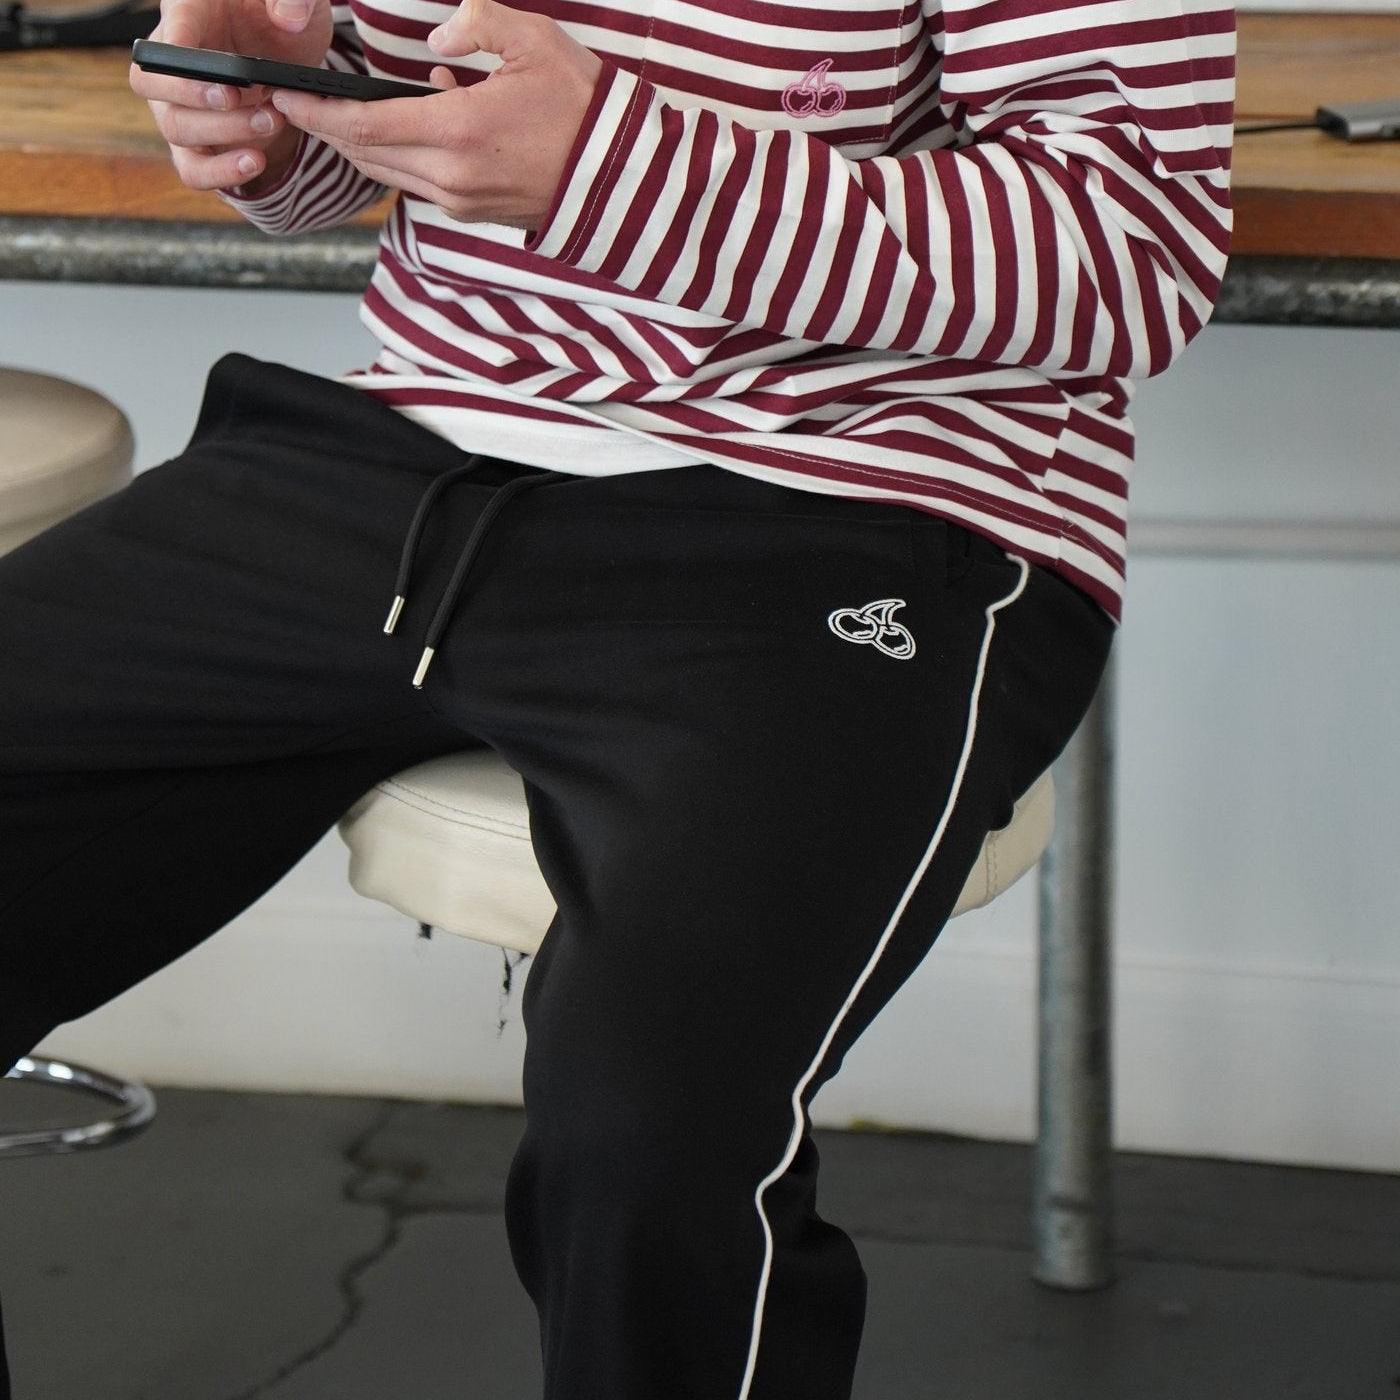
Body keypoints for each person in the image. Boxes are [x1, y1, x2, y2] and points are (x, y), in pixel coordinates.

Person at [0, 0, 1234, 1391]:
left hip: (850, 499)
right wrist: (285, 106)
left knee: (650, 1143)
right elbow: (398, 148)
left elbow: (1126, 261)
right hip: (402, 440)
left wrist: (613, 161)